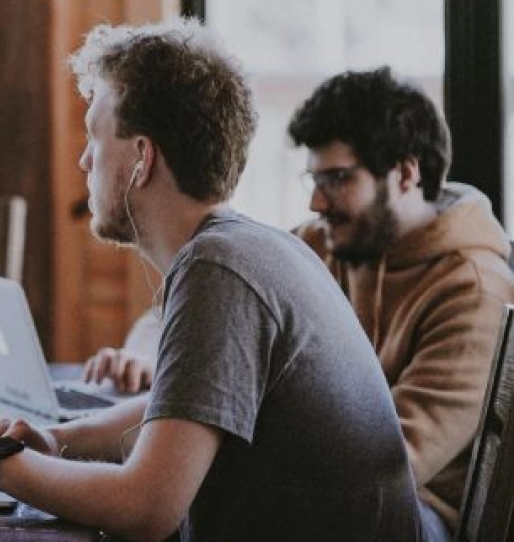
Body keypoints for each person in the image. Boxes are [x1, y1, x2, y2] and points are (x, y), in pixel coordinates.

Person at [0, 19, 423, 541]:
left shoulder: (218, 269)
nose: (83, 159)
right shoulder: (258, 247)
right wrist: (56, 440)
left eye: (94, 139)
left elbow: (146, 508)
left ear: (142, 158)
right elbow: (178, 408)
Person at [84, 67, 513, 539]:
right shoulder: (322, 242)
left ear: (407, 173)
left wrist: (188, 431)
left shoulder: (474, 288)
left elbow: (389, 463)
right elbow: (187, 315)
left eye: (337, 179)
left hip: (409, 519)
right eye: (312, 179)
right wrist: (147, 357)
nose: (315, 203)